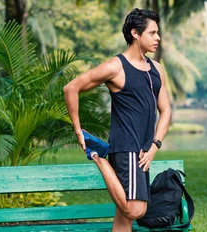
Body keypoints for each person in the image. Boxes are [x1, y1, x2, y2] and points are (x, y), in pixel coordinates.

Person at [63, 8, 172, 232]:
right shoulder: (116, 67)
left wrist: (155, 145)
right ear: (135, 33)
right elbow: (71, 88)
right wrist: (77, 129)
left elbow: (166, 111)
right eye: (152, 33)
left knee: (124, 219)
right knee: (134, 209)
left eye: (157, 33)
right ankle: (99, 156)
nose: (157, 38)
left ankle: (101, 154)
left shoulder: (156, 69)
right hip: (127, 147)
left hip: (143, 150)